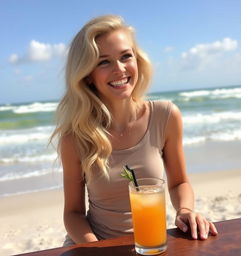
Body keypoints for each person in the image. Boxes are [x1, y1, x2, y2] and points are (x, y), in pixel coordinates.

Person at [51, 14, 218, 245]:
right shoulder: (76, 137)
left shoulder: (165, 115)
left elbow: (179, 182)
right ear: (88, 75)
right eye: (103, 61)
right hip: (93, 244)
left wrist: (185, 211)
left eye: (125, 56)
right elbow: (73, 213)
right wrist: (98, 249)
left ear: (137, 60)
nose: (119, 69)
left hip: (152, 243)